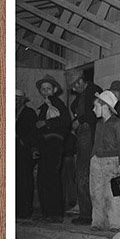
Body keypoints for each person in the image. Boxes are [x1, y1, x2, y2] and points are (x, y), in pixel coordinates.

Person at [89, 89, 120, 230]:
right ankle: (99, 222)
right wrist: (93, 158)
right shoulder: (99, 124)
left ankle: (117, 223)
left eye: (96, 106)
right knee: (96, 193)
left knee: (113, 194)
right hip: (97, 161)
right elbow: (95, 143)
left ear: (105, 106)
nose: (94, 110)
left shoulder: (118, 123)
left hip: (112, 161)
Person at [34, 75, 71, 222]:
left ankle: (55, 213)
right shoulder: (43, 106)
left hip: (55, 145)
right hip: (44, 146)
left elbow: (65, 122)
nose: (46, 91)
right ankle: (46, 213)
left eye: (48, 88)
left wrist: (46, 124)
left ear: (54, 90)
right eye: (43, 89)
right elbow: (38, 129)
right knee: (42, 178)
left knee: (52, 178)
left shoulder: (58, 104)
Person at [70, 76, 100, 223]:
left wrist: (79, 120)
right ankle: (86, 212)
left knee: (83, 174)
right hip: (83, 135)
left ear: (80, 82)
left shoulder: (94, 91)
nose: (74, 90)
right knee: (81, 174)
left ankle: (86, 214)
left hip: (88, 135)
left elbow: (93, 114)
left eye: (75, 86)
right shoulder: (83, 95)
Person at [14, 87, 39, 219]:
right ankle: (16, 209)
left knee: (25, 181)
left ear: (23, 100)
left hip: (25, 151)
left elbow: (34, 132)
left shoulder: (29, 113)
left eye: (17, 99)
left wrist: (24, 141)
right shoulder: (10, 113)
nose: (15, 102)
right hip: (15, 151)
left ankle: (25, 210)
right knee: (15, 180)